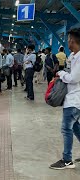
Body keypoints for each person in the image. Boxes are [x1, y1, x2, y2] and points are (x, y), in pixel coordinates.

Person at [50, 28, 80, 170]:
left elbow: (73, 78)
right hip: (73, 98)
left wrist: (61, 73)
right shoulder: (73, 56)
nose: (67, 41)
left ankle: (67, 160)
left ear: (72, 41)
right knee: (75, 127)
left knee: (66, 129)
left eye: (68, 39)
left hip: (74, 100)